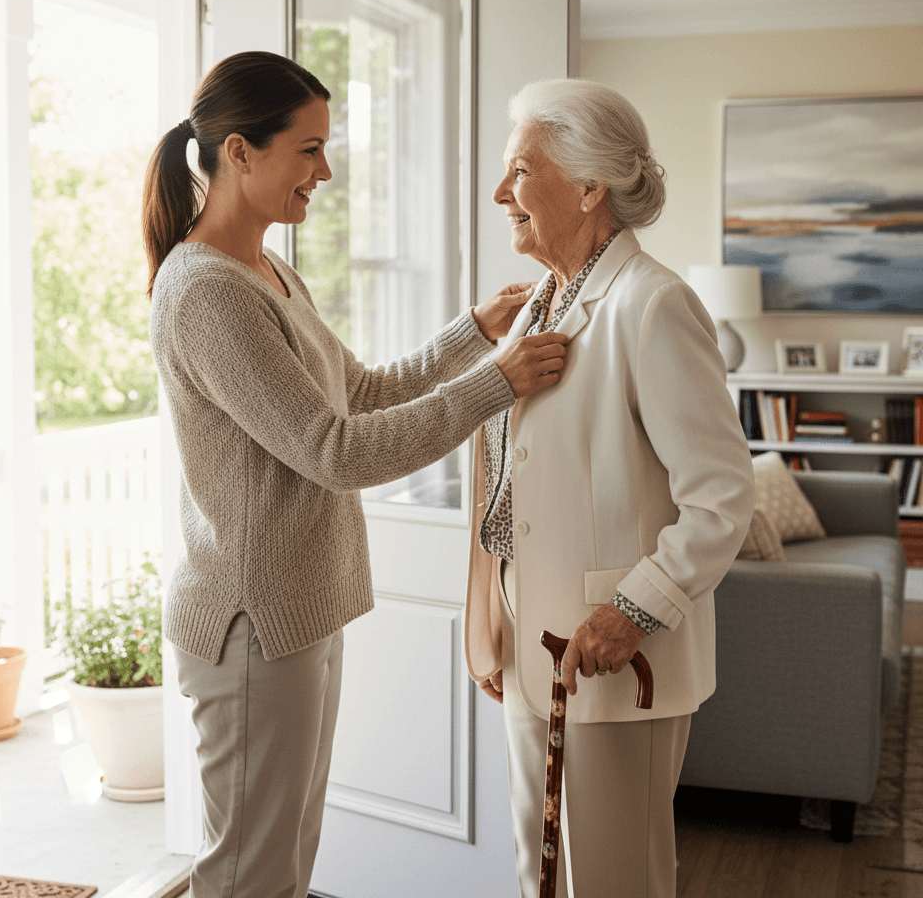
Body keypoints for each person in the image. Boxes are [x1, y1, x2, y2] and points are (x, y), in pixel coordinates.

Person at [142, 51, 569, 898]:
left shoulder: (266, 271)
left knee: (285, 860)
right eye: (308, 150)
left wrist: (471, 335)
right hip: (249, 624)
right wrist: (498, 381)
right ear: (239, 152)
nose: (325, 172)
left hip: (293, 615)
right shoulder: (207, 292)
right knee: (247, 875)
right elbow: (335, 449)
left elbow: (360, 392)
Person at [463, 78, 756, 898]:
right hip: (534, 646)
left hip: (614, 656)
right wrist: (495, 615)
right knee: (542, 876)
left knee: (615, 883)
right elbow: (506, 482)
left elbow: (723, 494)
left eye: (520, 171)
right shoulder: (537, 308)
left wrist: (634, 610)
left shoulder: (652, 305)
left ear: (591, 187)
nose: (500, 194)